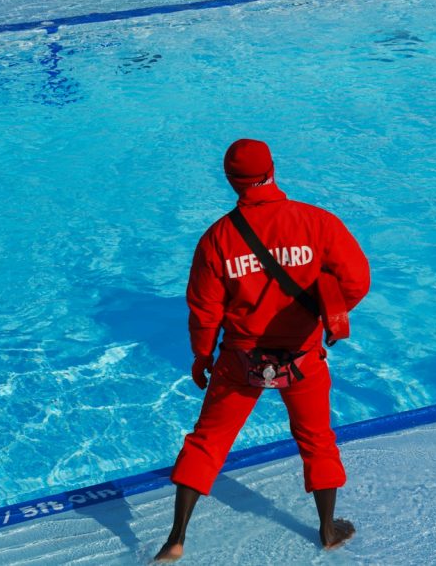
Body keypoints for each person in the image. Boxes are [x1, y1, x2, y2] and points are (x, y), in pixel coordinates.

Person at [155, 139, 370, 562]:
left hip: (241, 359)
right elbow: (357, 280)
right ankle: (327, 529)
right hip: (303, 357)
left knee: (207, 442)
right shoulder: (317, 223)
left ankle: (175, 539)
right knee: (317, 441)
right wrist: (327, 314)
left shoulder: (217, 238)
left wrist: (202, 356)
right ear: (273, 168)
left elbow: (204, 310)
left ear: (231, 180)